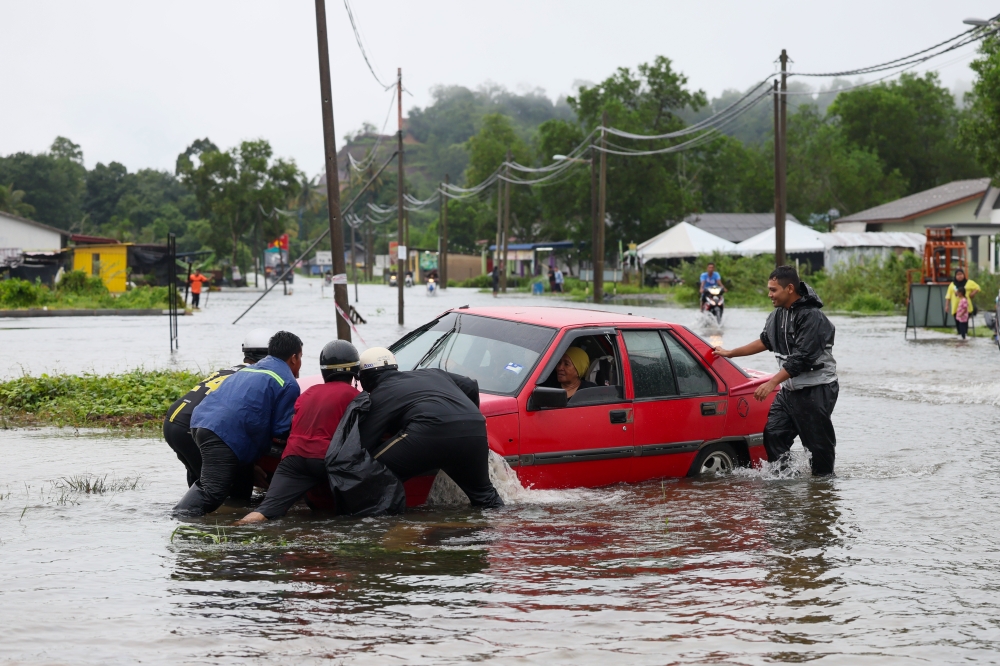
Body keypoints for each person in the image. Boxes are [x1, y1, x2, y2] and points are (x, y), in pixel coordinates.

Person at [712, 265, 839, 476]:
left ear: (789, 288)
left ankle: (823, 492)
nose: (769, 295)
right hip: (789, 391)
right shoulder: (777, 316)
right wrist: (730, 352)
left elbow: (802, 358)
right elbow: (764, 341)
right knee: (773, 435)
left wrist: (772, 382)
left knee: (817, 447)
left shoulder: (812, 317)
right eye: (769, 290)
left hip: (817, 390)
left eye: (773, 290)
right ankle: (786, 481)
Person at [354, 347, 504, 509]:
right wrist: (473, 411)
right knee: (485, 496)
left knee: (373, 476)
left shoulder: (381, 394)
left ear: (365, 378)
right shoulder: (433, 373)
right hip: (474, 428)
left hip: (429, 432)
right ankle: (504, 528)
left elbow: (363, 443)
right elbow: (470, 385)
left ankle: (389, 528)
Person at [172, 331, 302, 517]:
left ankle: (228, 523)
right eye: (301, 357)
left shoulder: (252, 368)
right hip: (223, 433)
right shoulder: (289, 383)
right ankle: (177, 518)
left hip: (200, 422)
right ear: (294, 357)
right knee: (213, 490)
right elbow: (281, 430)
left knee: (234, 485)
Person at [237, 340, 361, 524]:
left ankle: (232, 529)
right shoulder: (355, 396)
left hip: (293, 457)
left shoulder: (308, 392)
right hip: (326, 459)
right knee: (359, 512)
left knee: (266, 510)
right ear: (354, 371)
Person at [163, 328, 271, 489]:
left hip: (173, 421)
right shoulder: (256, 376)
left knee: (200, 477)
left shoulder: (230, 370)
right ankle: (226, 512)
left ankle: (199, 512)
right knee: (230, 486)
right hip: (193, 427)